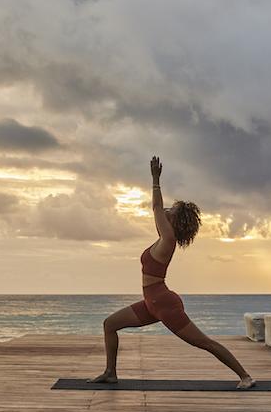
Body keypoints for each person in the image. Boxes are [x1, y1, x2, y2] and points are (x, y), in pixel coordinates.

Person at [90, 156, 256, 389]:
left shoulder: (168, 239)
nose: (166, 209)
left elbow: (156, 207)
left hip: (164, 304)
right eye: (168, 208)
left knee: (204, 342)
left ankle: (245, 376)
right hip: (152, 303)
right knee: (110, 324)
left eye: (172, 209)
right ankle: (110, 372)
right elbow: (158, 212)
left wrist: (155, 180)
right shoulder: (163, 238)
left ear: (174, 220)